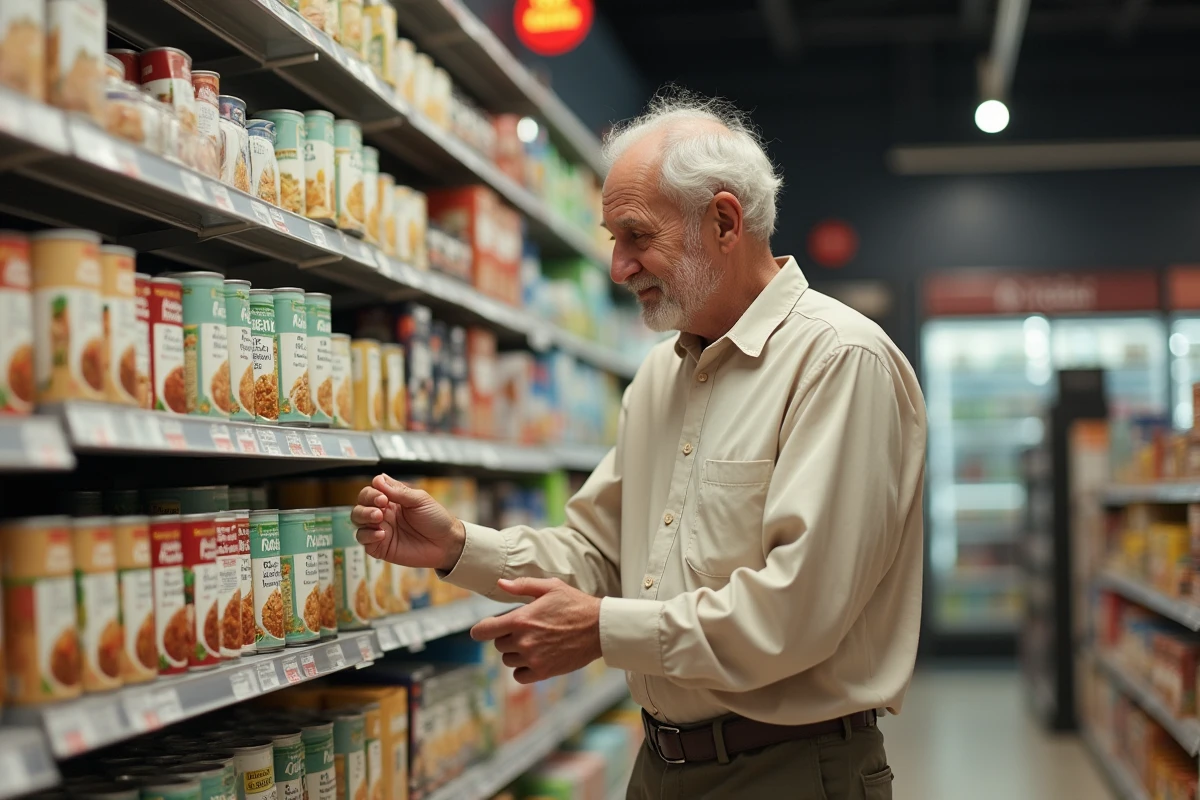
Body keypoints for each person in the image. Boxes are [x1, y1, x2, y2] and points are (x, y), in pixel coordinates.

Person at [352, 91, 926, 799]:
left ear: (723, 220)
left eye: (635, 236)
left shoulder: (839, 362)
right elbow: (599, 552)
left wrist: (602, 630)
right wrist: (457, 546)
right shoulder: (661, 376)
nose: (618, 266)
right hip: (662, 768)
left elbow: (798, 613)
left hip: (791, 770)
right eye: (612, 238)